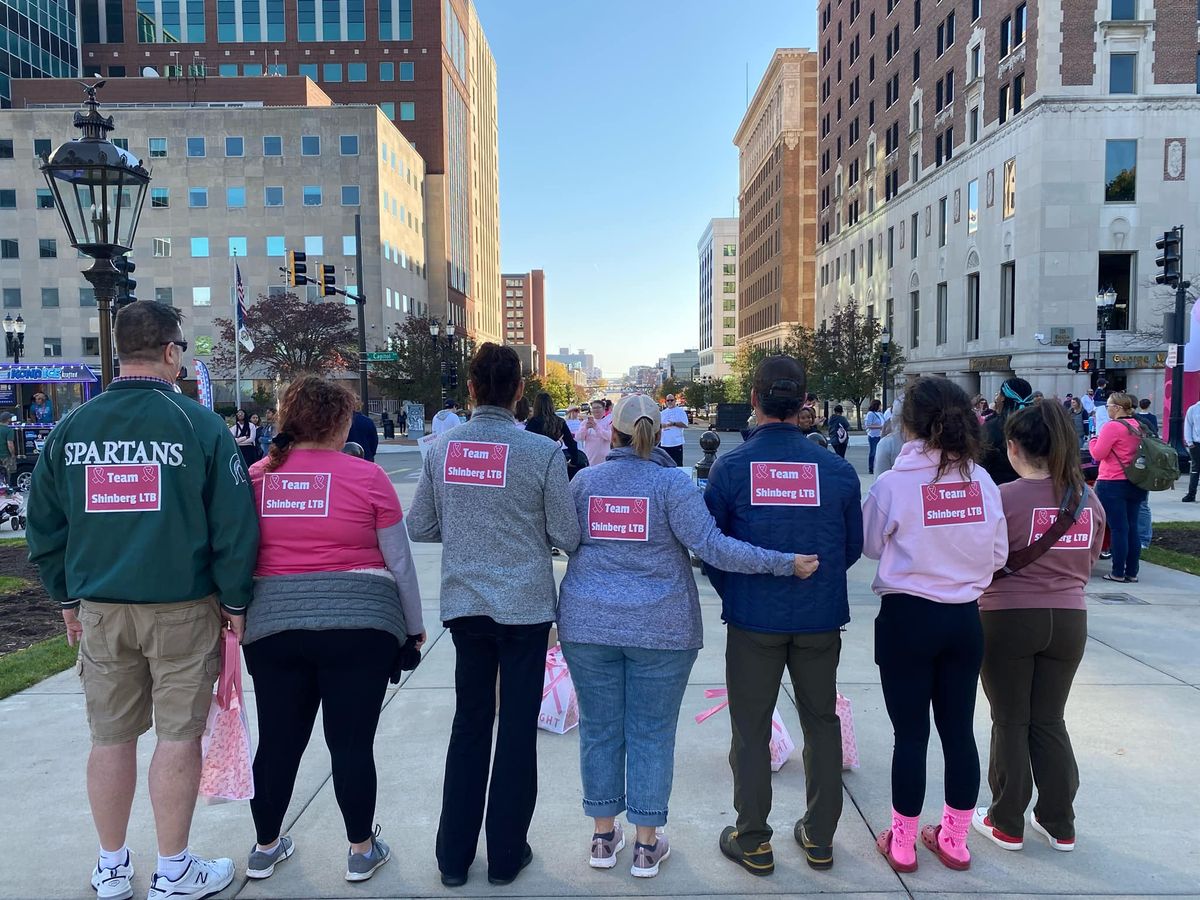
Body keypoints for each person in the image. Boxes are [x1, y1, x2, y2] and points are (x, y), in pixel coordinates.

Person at [26, 301, 259, 900]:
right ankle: (174, 870)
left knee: (110, 738)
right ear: (171, 351)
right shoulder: (199, 426)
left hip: (101, 607)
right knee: (177, 737)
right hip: (182, 606)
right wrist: (235, 601)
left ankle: (110, 867)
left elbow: (43, 525)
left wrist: (65, 595)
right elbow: (234, 527)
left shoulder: (70, 428)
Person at [558, 393, 814, 879]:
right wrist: (782, 563)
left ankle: (602, 837)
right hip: (663, 627)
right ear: (659, 433)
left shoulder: (585, 482)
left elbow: (565, 540)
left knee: (599, 729)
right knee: (652, 733)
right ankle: (647, 845)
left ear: (612, 433)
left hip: (588, 625)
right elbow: (712, 547)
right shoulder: (673, 483)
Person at [407, 343, 582, 888]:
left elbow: (420, 526)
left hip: (466, 607)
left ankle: (453, 858)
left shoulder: (441, 449)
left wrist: (466, 529)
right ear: (519, 392)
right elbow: (567, 535)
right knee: (514, 736)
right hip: (526, 609)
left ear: (473, 390)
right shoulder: (543, 453)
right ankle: (506, 854)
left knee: (470, 725)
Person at [242, 376, 424, 885]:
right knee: (350, 743)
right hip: (359, 626)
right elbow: (400, 562)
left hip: (274, 625)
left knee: (278, 740)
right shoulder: (368, 478)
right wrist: (412, 629)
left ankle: (264, 846)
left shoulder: (258, 476)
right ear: (340, 422)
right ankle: (360, 849)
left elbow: (238, 553)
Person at [705, 356, 863, 876]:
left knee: (750, 729)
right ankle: (819, 837)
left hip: (755, 618)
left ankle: (753, 839)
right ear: (804, 405)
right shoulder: (837, 470)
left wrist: (743, 590)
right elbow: (851, 548)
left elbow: (714, 550)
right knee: (821, 721)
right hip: (819, 616)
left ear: (754, 399)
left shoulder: (731, 468)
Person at [863, 376, 1007, 874]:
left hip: (908, 618)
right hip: (964, 620)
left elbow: (870, 545)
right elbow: (999, 553)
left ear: (909, 425)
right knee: (959, 732)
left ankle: (902, 840)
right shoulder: (983, 482)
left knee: (910, 735)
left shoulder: (894, 484)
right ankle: (955, 838)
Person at [972, 399, 1105, 855]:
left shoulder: (1002, 498)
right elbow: (1090, 557)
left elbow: (983, 560)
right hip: (1070, 618)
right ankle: (1059, 822)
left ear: (1012, 447)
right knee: (1050, 720)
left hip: (1007, 616)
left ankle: (1006, 820)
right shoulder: (1088, 498)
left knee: (1010, 719)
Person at [1088, 392, 1147, 583]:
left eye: (1109, 405)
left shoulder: (1112, 427)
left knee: (1118, 529)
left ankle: (1117, 572)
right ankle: (1132, 571)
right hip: (1136, 482)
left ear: (1118, 408)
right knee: (1132, 528)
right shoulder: (1139, 426)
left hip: (1112, 482)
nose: (1107, 409)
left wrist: (1093, 439)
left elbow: (1098, 454)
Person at [982, 377, 1035, 486]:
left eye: (999, 394)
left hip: (999, 490)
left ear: (1002, 398)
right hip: (1037, 489)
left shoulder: (991, 428)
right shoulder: (1040, 425)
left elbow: (981, 463)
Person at [525, 391, 581, 469]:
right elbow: (571, 443)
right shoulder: (560, 421)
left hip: (538, 461)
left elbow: (526, 444)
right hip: (555, 458)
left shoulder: (533, 422)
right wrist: (574, 461)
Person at [578, 399, 613, 468]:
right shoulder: (585, 422)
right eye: (594, 408)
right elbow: (579, 437)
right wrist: (585, 428)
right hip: (590, 457)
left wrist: (595, 427)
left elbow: (610, 437)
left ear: (603, 409)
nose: (596, 410)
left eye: (598, 407)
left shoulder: (609, 421)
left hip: (604, 458)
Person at [658, 392, 689, 467]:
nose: (669, 402)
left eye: (671, 400)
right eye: (668, 400)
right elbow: (658, 426)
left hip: (676, 443)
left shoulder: (680, 412)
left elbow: (685, 424)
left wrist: (674, 424)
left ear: (675, 401)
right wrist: (663, 425)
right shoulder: (663, 413)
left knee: (677, 465)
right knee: (665, 465)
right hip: (664, 443)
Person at [1183, 398, 1200, 502]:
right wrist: (1189, 442)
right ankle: (1191, 493)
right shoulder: (1193, 409)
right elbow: (1188, 425)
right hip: (1196, 443)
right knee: (1195, 469)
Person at [865, 400, 885, 474]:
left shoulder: (880, 414)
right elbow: (868, 425)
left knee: (879, 452)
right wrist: (879, 427)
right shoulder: (870, 414)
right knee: (873, 451)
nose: (881, 407)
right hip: (873, 435)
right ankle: (871, 468)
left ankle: (877, 466)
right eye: (880, 405)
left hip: (881, 435)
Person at [0, 412, 14, 488]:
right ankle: (7, 490)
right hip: (5, 456)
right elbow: (10, 445)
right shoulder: (8, 430)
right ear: (8, 419)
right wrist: (12, 454)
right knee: (7, 474)